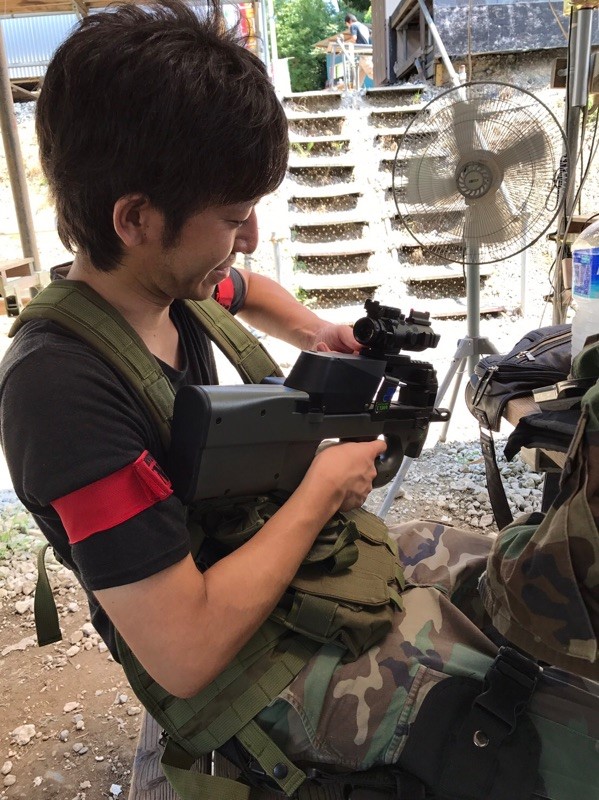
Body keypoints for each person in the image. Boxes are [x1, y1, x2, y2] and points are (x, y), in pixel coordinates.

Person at [0, 1, 596, 797]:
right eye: (233, 217)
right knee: (552, 741)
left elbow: (244, 290)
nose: (248, 237)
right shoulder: (61, 394)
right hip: (231, 657)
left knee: (519, 584)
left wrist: (315, 331)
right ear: (135, 218)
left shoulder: (162, 281)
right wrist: (320, 492)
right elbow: (183, 653)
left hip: (265, 561)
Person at [344, 13, 373, 87]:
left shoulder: (353, 25)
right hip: (367, 51)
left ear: (350, 21)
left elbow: (354, 38)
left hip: (364, 52)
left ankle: (385, 82)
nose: (348, 26)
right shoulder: (363, 26)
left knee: (371, 71)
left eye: (347, 24)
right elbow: (370, 34)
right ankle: (355, 89)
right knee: (359, 74)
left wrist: (345, 44)